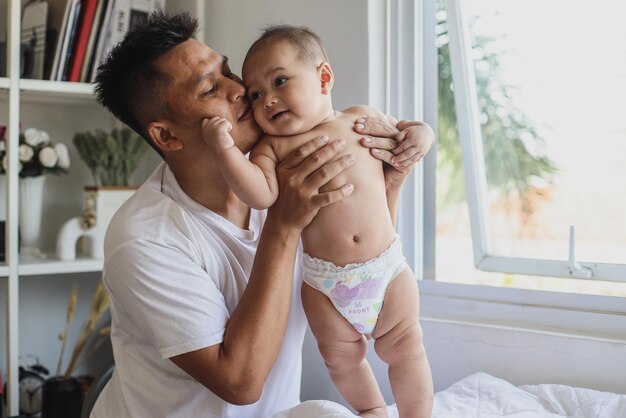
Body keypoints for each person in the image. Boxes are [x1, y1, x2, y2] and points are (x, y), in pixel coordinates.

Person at [90, 11, 433, 418]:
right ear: (167, 135)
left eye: (229, 72)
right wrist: (284, 225)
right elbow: (239, 383)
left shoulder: (287, 157)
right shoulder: (145, 239)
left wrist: (390, 179)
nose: (241, 91)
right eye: (210, 88)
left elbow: (359, 240)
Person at [202, 25, 434, 418]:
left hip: (386, 269)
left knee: (407, 349)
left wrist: (422, 135)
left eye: (280, 81)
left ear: (323, 77)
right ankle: (372, 410)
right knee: (341, 360)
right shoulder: (270, 147)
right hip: (325, 285)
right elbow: (259, 194)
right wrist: (224, 151)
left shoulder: (360, 120)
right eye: (256, 94)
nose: (267, 100)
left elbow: (404, 135)